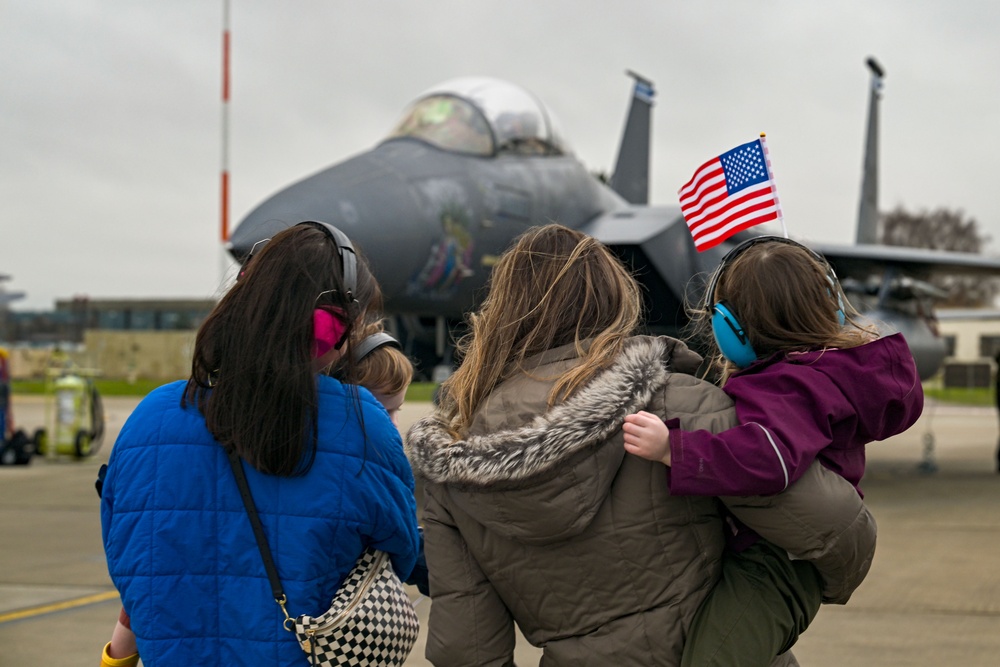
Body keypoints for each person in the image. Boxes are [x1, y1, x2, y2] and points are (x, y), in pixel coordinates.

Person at [405, 224, 871, 666]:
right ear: (612, 302)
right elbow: (836, 532)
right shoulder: (680, 405)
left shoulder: (455, 465)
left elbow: (465, 650)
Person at [100, 221, 421, 666]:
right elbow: (401, 555)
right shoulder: (360, 422)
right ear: (332, 330)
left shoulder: (149, 418)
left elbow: (125, 558)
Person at [623, 235, 924, 666]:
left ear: (731, 329)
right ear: (831, 306)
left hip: (775, 563)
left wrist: (676, 449)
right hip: (786, 551)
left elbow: (769, 460)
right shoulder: (830, 373)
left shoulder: (787, 386)